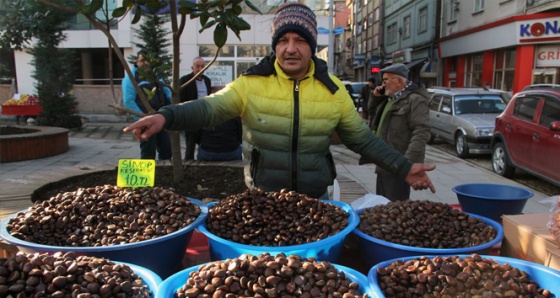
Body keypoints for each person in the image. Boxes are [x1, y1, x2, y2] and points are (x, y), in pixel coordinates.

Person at [124, 2, 436, 199]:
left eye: (300, 40)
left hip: (317, 199)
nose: (291, 48)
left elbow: (364, 140)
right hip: (262, 198)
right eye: (283, 40)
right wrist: (165, 117)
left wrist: (405, 167)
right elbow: (208, 109)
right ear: (275, 45)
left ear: (312, 46)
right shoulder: (250, 84)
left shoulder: (334, 90)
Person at [362, 63, 431, 201]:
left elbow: (421, 131)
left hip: (398, 164)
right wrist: (375, 97)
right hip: (383, 162)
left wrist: (408, 164)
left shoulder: (414, 100)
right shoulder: (389, 99)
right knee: (381, 204)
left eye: (386, 79)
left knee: (395, 207)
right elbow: (372, 113)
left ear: (399, 81)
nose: (383, 84)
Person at [122, 50, 172, 160]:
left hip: (160, 118)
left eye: (148, 61)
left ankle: (163, 175)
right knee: (148, 154)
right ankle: (147, 177)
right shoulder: (131, 78)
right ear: (137, 62)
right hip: (145, 121)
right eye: (142, 60)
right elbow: (128, 102)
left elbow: (167, 94)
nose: (145, 63)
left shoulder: (156, 76)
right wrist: (143, 120)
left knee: (166, 151)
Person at [179, 57, 212, 160]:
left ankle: (203, 159)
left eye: (202, 66)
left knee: (204, 140)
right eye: (197, 66)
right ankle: (188, 162)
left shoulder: (207, 80)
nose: (200, 68)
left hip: (205, 115)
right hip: (191, 116)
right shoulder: (185, 80)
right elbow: (181, 99)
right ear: (192, 67)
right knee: (190, 142)